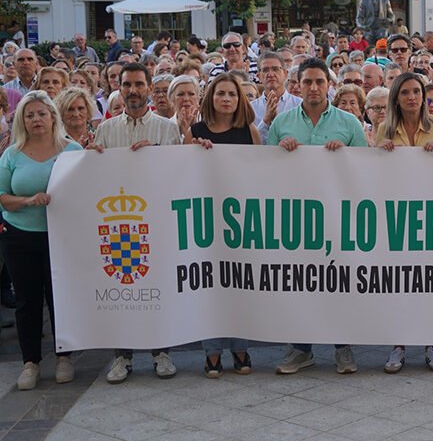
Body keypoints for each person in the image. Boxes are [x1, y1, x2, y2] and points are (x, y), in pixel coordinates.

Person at [268, 58, 368, 375]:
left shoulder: (349, 124)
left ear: (329, 85)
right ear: (298, 85)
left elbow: (367, 172)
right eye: (307, 82)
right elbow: (264, 174)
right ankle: (301, 349)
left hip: (338, 216)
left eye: (319, 82)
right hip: (296, 218)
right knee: (300, 283)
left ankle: (343, 347)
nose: (313, 88)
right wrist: (280, 153)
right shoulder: (281, 124)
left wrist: (347, 157)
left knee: (339, 282)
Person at [90, 63, 182, 383]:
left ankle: (161, 352)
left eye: (138, 84)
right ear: (118, 87)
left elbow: (177, 174)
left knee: (155, 287)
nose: (132, 90)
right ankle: (122, 356)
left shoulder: (166, 129)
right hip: (120, 222)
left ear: (148, 87)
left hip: (155, 221)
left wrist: (154, 156)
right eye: (126, 84)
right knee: (121, 286)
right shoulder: (107, 129)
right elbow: (98, 174)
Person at [376, 73, 433, 373]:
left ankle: (431, 343)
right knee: (399, 282)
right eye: (405, 93)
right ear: (396, 98)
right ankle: (398, 344)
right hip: (398, 217)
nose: (412, 97)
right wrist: (383, 154)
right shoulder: (383, 129)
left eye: (417, 92)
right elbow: (375, 174)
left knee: (430, 280)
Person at [0, 91, 82, 390]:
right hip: (20, 237)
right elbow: (2, 198)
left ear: (52, 117)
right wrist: (28, 201)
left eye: (41, 114)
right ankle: (31, 361)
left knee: (60, 298)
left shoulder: (72, 149)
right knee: (26, 301)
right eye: (30, 115)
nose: (36, 119)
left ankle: (64, 357)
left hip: (61, 237)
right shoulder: (12, 153)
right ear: (23, 120)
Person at [183, 73, 260, 377]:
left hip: (241, 220)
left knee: (240, 284)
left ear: (239, 99)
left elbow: (262, 175)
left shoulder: (249, 131)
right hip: (206, 219)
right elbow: (181, 175)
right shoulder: (194, 132)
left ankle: (241, 348)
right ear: (210, 98)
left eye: (231, 94)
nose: (226, 99)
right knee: (210, 286)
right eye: (220, 94)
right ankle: (211, 352)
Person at [252, 52, 302, 144]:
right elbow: (249, 142)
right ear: (258, 76)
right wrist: (265, 121)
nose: (271, 74)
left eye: (275, 69)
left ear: (285, 74)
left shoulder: (300, 105)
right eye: (265, 70)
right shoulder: (250, 108)